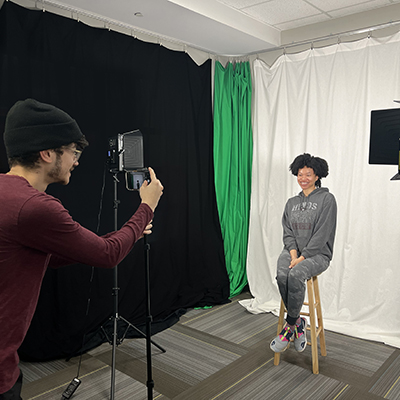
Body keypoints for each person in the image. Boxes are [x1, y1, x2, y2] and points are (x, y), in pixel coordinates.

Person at [0, 98, 164, 399]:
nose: (76, 161)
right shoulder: (36, 207)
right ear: (48, 153)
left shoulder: (8, 194)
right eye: (73, 152)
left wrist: (126, 234)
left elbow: (52, 254)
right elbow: (106, 255)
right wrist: (147, 207)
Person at [270, 153, 337, 354]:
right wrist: (293, 255)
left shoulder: (327, 199)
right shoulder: (291, 203)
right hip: (292, 252)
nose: (303, 178)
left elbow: (322, 234)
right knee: (282, 275)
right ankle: (299, 322)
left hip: (318, 255)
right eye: (300, 174)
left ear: (317, 176)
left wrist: (302, 258)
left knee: (296, 274)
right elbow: (287, 232)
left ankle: (289, 327)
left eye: (308, 174)